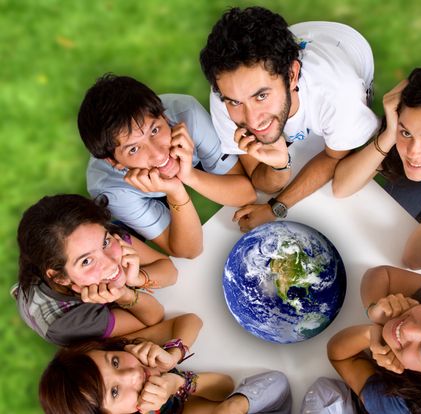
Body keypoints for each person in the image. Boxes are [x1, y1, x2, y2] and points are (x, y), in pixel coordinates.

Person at [199, 6, 378, 232]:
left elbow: (333, 158)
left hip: (346, 44)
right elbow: (260, 179)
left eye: (261, 96)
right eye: (235, 102)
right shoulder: (226, 94)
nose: (252, 121)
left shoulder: (341, 95)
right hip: (301, 35)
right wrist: (280, 165)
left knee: (344, 140)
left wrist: (276, 208)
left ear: (291, 76)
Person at [78, 74, 256, 258]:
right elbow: (190, 250)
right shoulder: (110, 190)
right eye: (133, 149)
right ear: (113, 162)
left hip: (188, 157)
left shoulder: (185, 112)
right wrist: (176, 191)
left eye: (155, 130)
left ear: (163, 115)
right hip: (138, 189)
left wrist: (190, 176)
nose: (158, 153)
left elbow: (246, 193)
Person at [15, 194, 202, 347]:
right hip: (61, 314)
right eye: (87, 261)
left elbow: (170, 271)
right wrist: (123, 294)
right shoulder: (69, 324)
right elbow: (153, 318)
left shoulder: (89, 234)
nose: (111, 263)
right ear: (61, 278)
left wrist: (136, 278)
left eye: (105, 242)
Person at [333, 67, 421, 270]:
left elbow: (415, 260)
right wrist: (390, 133)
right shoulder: (401, 140)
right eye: (406, 132)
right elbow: (342, 187)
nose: (413, 152)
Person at [39, 337, 292, 414]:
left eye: (115, 361)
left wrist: (178, 382)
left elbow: (225, 386)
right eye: (114, 391)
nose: (129, 374)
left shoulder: (156, 377)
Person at [328, 265, 421, 412]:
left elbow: (338, 356)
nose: (408, 329)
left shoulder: (398, 406)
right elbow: (381, 274)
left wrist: (371, 335)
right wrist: (375, 312)